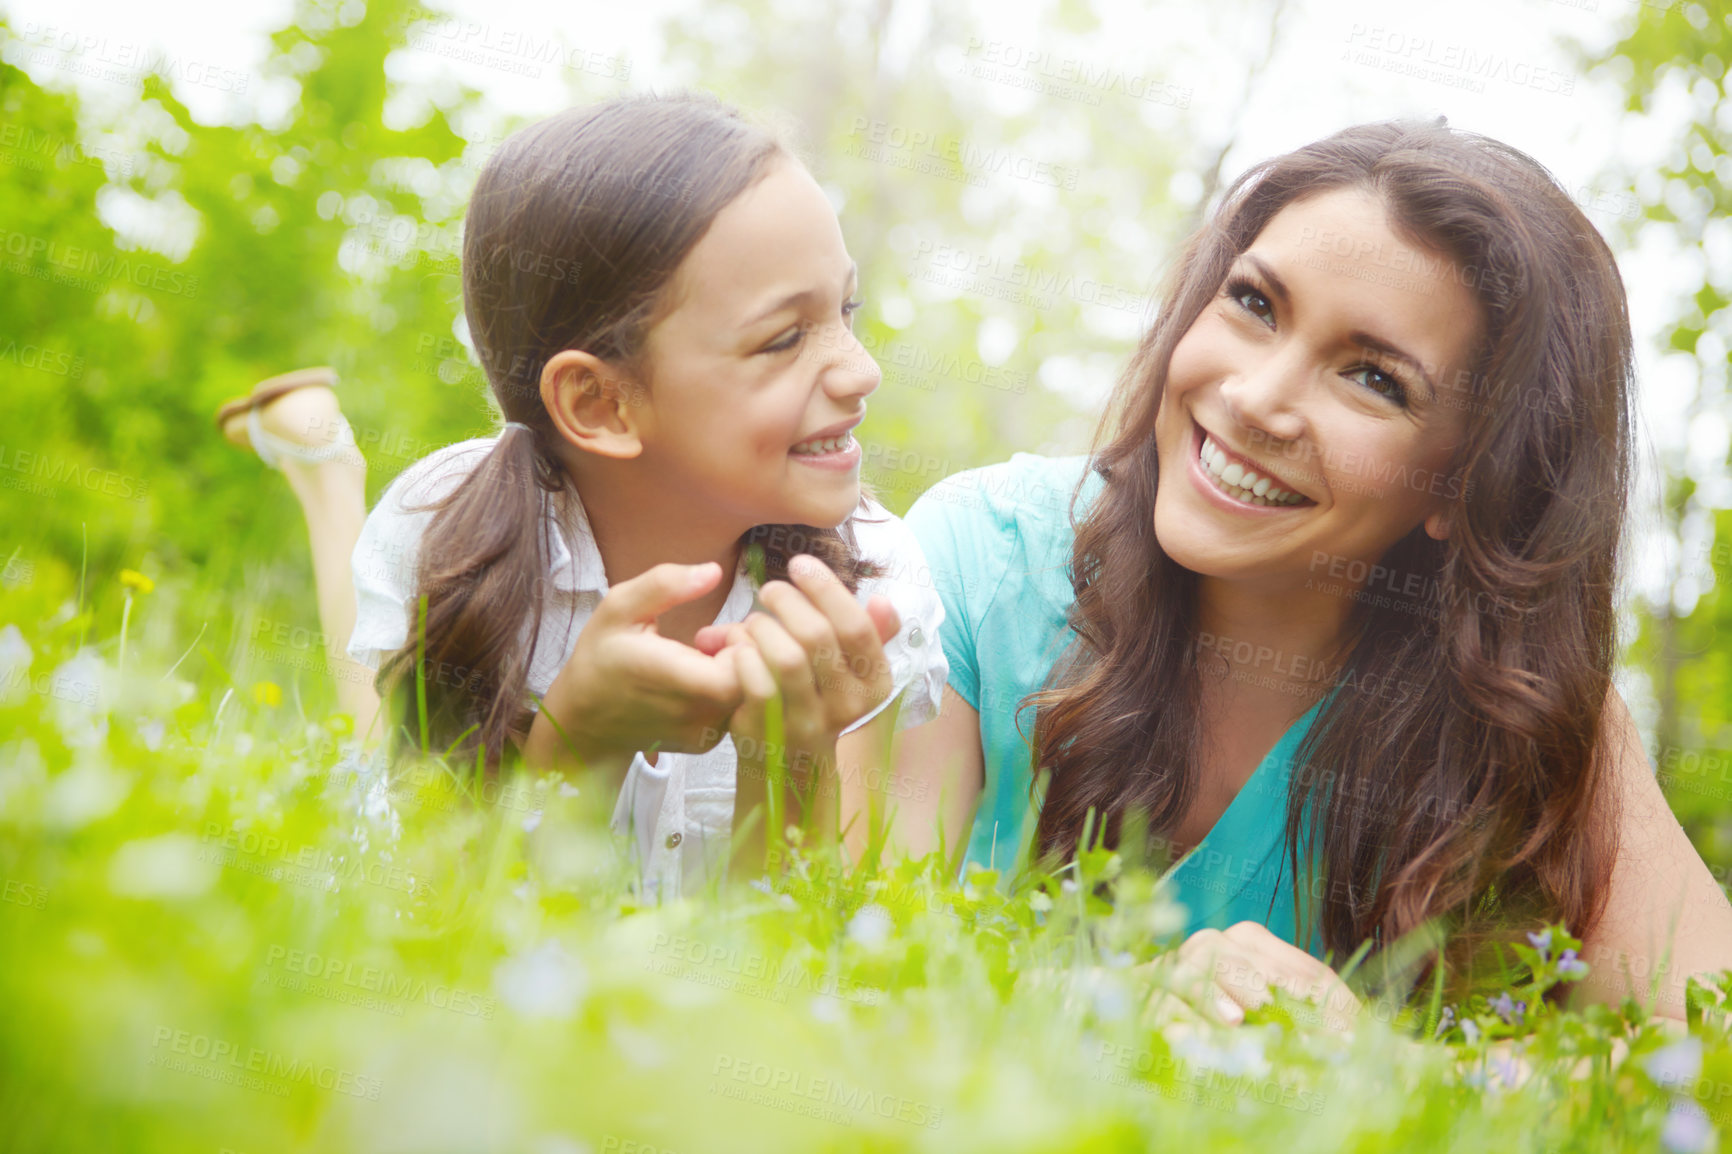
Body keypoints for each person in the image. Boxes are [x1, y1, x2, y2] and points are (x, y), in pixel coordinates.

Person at [894, 119, 1732, 1024]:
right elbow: (849, 958)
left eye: (1373, 379)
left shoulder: (1525, 724)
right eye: (1255, 304)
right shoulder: (979, 566)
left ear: (1467, 485)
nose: (1254, 398)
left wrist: (1382, 1066)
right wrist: (1108, 1010)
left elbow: (1708, 1059)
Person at [215, 93, 948, 898]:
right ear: (602, 404)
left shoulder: (870, 573)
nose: (861, 369)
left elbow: (791, 963)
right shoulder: (448, 528)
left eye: (845, 310)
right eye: (784, 338)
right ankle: (326, 468)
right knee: (357, 748)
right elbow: (435, 913)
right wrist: (577, 744)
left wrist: (792, 763)